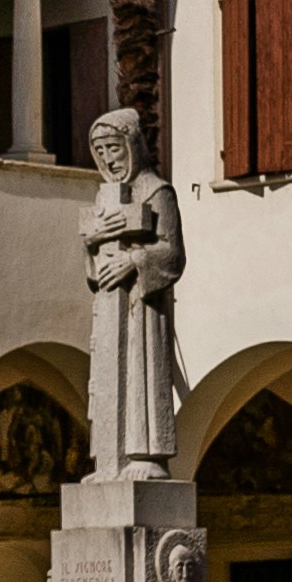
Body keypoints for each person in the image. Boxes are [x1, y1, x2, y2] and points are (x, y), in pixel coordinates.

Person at [79, 107, 185, 476]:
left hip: (143, 309)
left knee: (143, 372)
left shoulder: (157, 192)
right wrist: (92, 242)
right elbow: (94, 263)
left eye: (114, 148)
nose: (109, 159)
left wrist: (134, 261)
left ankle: (147, 456)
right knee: (108, 376)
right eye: (101, 151)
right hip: (109, 310)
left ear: (133, 146)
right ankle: (109, 461)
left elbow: (173, 253)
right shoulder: (105, 199)